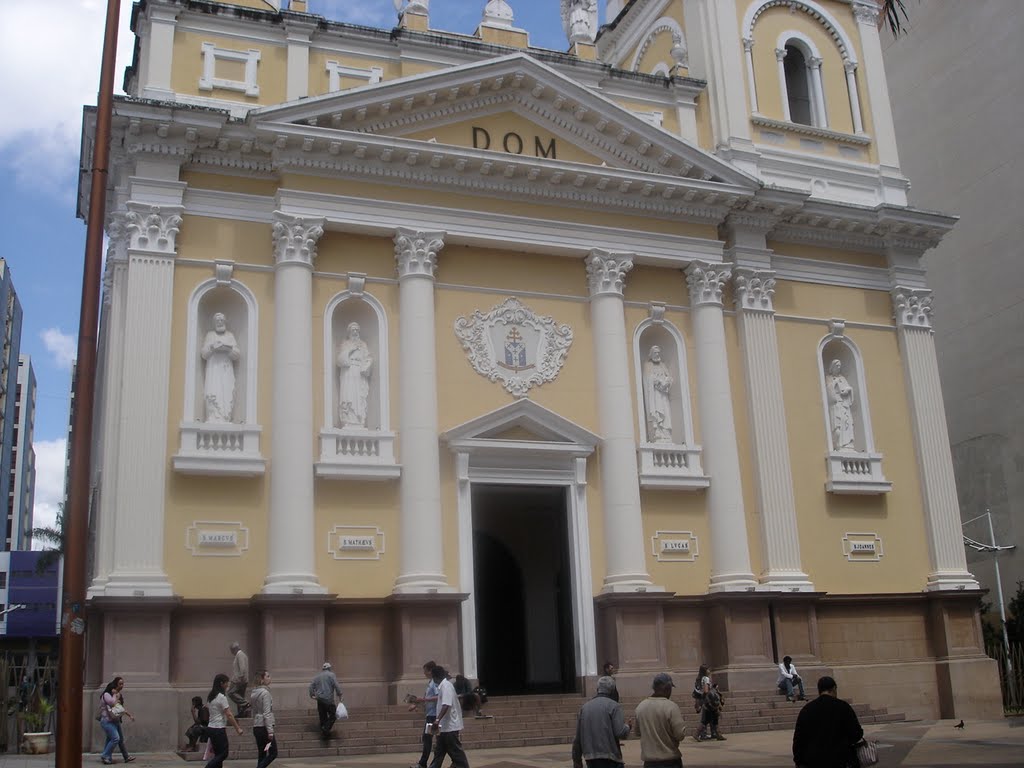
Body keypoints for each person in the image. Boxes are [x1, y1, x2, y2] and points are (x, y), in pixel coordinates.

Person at [792, 676, 864, 768]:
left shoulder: (807, 710)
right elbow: (856, 733)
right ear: (834, 688)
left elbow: (798, 739)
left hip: (813, 761)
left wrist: (799, 761)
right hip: (840, 760)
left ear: (819, 690)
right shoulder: (843, 707)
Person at [572, 676, 631, 768]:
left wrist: (576, 760)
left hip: (591, 758)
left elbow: (578, 738)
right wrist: (628, 726)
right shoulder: (614, 706)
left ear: (597, 689)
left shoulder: (585, 707)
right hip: (610, 758)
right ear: (612, 690)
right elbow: (620, 733)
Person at [633, 672, 687, 768]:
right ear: (667, 688)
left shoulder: (641, 707)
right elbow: (680, 735)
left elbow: (637, 732)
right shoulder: (671, 707)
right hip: (670, 762)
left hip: (649, 763)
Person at [202, 312, 241, 423]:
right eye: (217, 320)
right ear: (214, 322)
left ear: (225, 321)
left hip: (226, 370)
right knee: (213, 390)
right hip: (213, 370)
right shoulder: (210, 335)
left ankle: (226, 416)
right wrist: (212, 347)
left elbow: (237, 354)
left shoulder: (230, 336)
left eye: (221, 320)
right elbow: (204, 354)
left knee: (228, 392)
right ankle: (213, 415)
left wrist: (228, 349)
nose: (219, 322)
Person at [429, 666, 469, 768]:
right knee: (439, 751)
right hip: (444, 727)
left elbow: (446, 704)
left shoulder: (446, 686)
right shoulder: (444, 686)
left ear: (434, 677)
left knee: (456, 753)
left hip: (450, 726)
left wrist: (437, 720)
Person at [337, 321, 372, 427]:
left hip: (359, 372)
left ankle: (359, 418)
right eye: (353, 330)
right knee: (348, 394)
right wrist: (351, 350)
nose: (355, 332)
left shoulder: (363, 345)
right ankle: (348, 418)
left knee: (359, 396)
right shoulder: (345, 344)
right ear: (349, 332)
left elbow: (368, 357)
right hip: (348, 371)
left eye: (357, 330)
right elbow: (340, 360)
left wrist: (367, 365)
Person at [205, 673, 244, 768]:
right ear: (221, 683)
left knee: (218, 753)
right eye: (227, 683)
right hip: (219, 728)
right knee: (224, 753)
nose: (228, 685)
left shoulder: (211, 696)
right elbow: (229, 715)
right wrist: (237, 728)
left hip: (211, 728)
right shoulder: (221, 697)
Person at [407, 660, 440, 768]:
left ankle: (423, 763)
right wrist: (417, 704)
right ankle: (425, 763)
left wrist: (424, 699)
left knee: (428, 739)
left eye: (425, 671)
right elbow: (427, 699)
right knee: (428, 739)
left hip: (434, 715)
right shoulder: (430, 682)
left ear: (430, 671)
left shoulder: (435, 683)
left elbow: (438, 697)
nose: (424, 673)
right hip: (430, 714)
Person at [643, 346, 674, 442]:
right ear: (651, 354)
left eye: (658, 352)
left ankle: (665, 432)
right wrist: (658, 381)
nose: (657, 354)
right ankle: (657, 432)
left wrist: (667, 381)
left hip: (663, 394)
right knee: (657, 411)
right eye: (655, 353)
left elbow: (669, 377)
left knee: (665, 411)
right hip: (655, 394)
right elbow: (648, 378)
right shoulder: (648, 365)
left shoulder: (662, 365)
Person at [825, 359, 855, 450]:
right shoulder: (829, 378)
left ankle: (847, 444)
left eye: (839, 366)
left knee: (846, 423)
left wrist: (848, 390)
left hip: (844, 404)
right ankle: (838, 445)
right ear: (832, 367)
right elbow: (829, 389)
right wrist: (834, 383)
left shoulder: (843, 378)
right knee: (837, 425)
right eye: (837, 366)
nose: (838, 367)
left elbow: (849, 388)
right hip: (835, 404)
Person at [308, 662, 343, 738]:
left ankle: (324, 731)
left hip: (320, 699)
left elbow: (311, 686)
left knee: (323, 716)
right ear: (329, 668)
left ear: (323, 669)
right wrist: (339, 694)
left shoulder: (317, 676)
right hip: (328, 699)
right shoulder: (331, 675)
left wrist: (312, 695)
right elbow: (336, 685)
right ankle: (326, 728)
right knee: (333, 715)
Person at [250, 670, 277, 768]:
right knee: (273, 752)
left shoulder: (254, 692)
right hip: (264, 727)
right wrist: (270, 731)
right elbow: (267, 713)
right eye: (268, 676)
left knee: (262, 753)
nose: (270, 678)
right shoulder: (265, 693)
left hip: (257, 726)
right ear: (262, 679)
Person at [97, 678, 124, 765]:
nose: (115, 690)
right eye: (114, 688)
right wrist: (115, 695)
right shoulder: (106, 695)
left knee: (109, 739)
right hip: (106, 721)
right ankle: (105, 755)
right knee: (116, 738)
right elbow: (112, 703)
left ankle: (108, 758)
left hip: (112, 720)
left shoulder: (113, 695)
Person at [111, 677, 137, 762]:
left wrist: (129, 715)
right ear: (116, 684)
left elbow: (121, 708)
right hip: (113, 720)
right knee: (117, 739)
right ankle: (106, 756)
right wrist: (129, 715)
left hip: (117, 719)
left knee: (117, 739)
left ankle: (125, 757)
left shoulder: (119, 694)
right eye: (120, 684)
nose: (122, 686)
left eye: (122, 684)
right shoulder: (114, 693)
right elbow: (117, 707)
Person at [229, 642, 251, 718]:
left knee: (231, 693)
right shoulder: (241, 655)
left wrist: (239, 679)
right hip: (242, 680)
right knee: (240, 696)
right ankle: (242, 713)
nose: (231, 653)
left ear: (234, 649)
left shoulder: (240, 655)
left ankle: (246, 704)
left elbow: (242, 668)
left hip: (239, 680)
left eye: (231, 651)